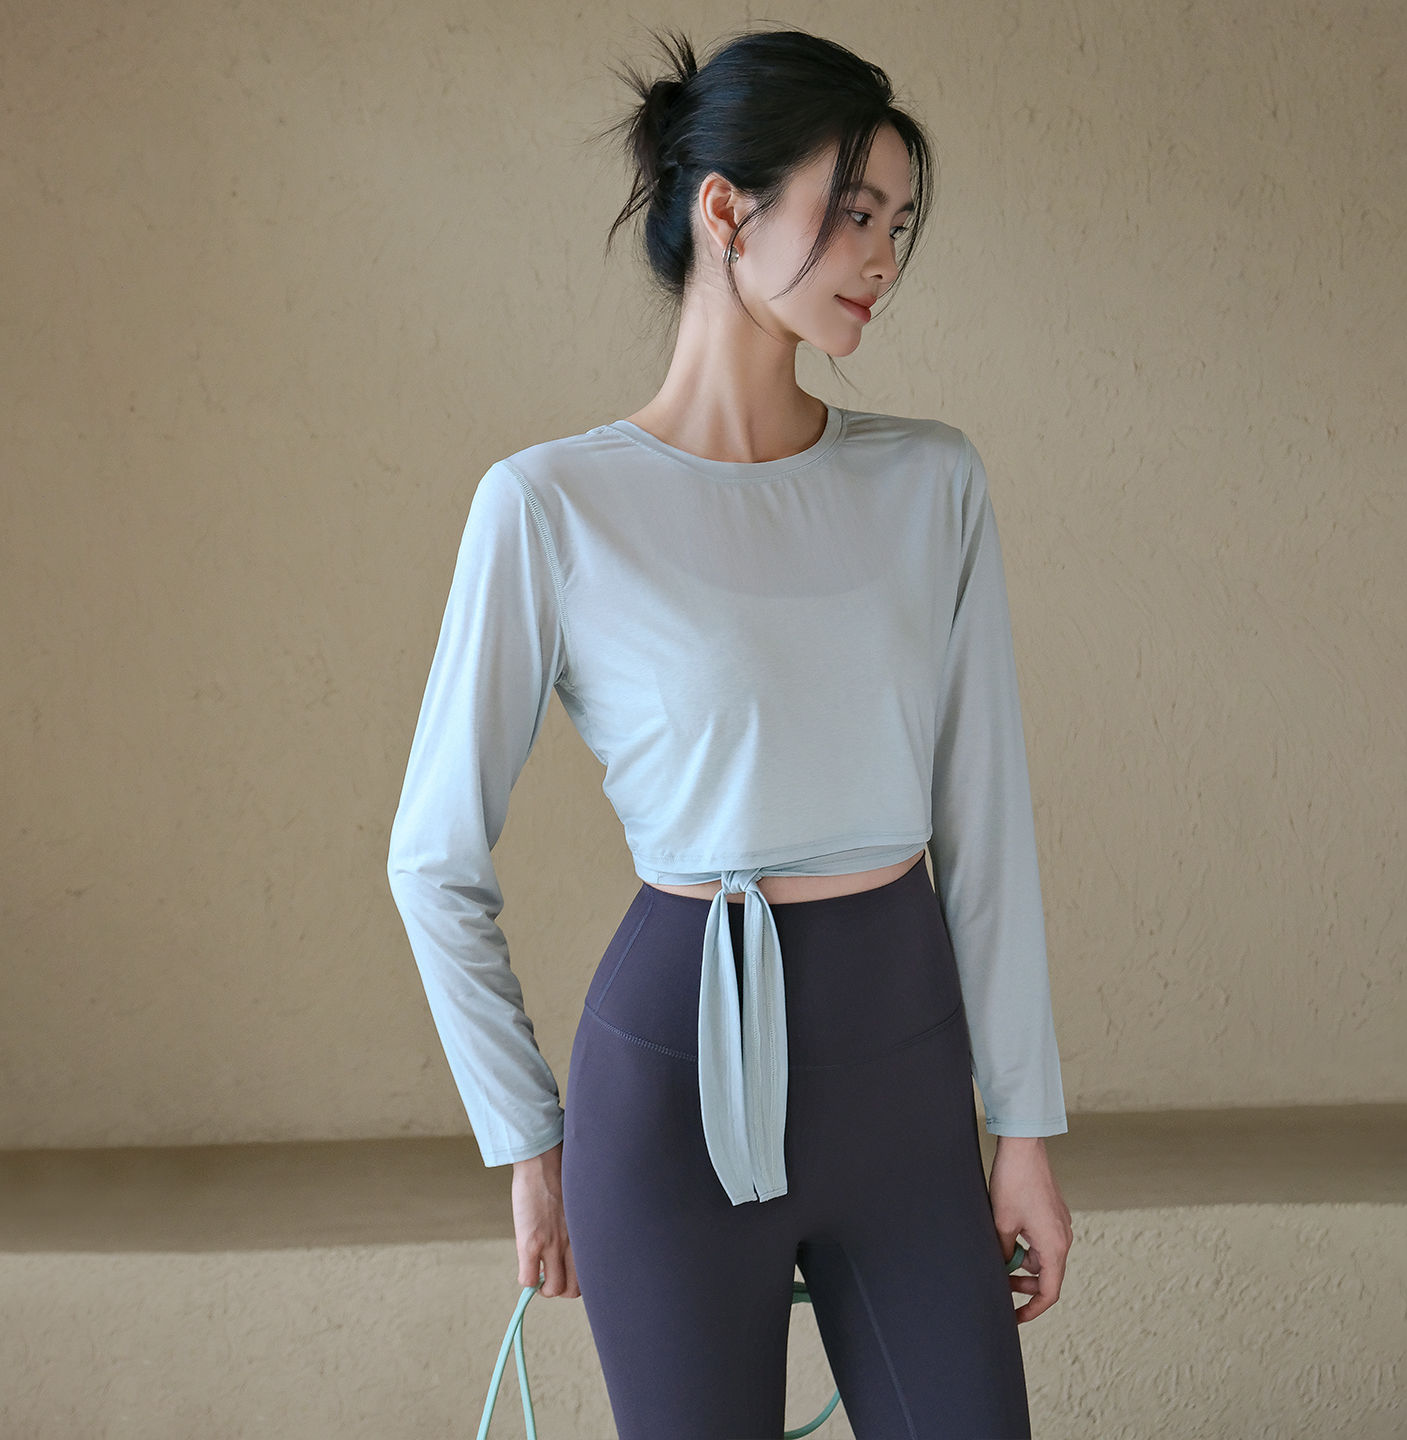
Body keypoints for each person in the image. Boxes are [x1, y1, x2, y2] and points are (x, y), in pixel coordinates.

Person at [386, 22, 1073, 1439]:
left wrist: (1024, 1128)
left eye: (899, 225)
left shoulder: (931, 484)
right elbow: (430, 857)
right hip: (667, 1102)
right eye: (854, 211)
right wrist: (529, 1138)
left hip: (904, 1079)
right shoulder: (550, 506)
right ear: (725, 209)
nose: (883, 257)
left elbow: (987, 830)